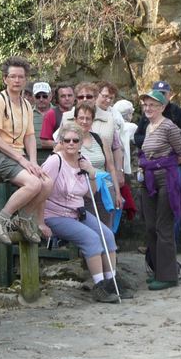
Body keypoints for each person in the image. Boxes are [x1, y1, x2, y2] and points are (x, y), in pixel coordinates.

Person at [40, 122, 133, 303]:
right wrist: (40, 222)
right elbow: (41, 192)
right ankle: (99, 286)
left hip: (77, 212)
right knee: (91, 239)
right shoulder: (54, 161)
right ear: (61, 141)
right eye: (67, 140)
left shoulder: (84, 162)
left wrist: (91, 173)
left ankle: (111, 282)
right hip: (56, 214)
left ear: (81, 143)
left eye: (75, 140)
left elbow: (91, 192)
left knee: (107, 235)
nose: (71, 144)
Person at [0, 57, 53, 245]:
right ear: (5, 79)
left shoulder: (26, 104)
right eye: (12, 76)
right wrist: (23, 161)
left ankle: (23, 219)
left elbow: (29, 136)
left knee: (46, 182)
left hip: (18, 155)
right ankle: (0, 220)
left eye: (21, 77)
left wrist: (34, 162)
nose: (17, 80)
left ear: (25, 79)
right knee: (33, 184)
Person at [137, 89, 181, 290]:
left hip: (167, 180)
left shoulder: (169, 127)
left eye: (153, 105)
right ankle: (158, 269)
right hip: (148, 180)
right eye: (145, 105)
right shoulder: (148, 127)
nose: (148, 108)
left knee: (163, 226)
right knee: (150, 226)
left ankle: (168, 276)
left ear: (162, 107)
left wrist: (162, 166)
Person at [71, 102, 122, 227]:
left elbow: (110, 167)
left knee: (106, 227)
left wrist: (117, 193)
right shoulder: (69, 141)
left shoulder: (100, 139)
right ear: (75, 120)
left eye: (88, 118)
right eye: (81, 118)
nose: (84, 121)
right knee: (87, 228)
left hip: (105, 188)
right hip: (83, 189)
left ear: (92, 120)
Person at [39, 83, 75, 149]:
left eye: (69, 95)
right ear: (57, 99)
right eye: (63, 96)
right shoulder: (51, 114)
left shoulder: (79, 112)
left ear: (74, 97)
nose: (67, 98)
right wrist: (64, 144)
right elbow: (44, 142)